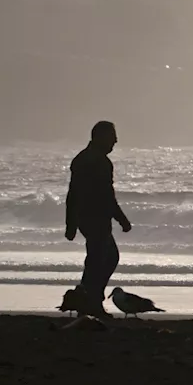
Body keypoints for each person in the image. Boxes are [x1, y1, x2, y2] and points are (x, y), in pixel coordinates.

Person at [65, 121, 131, 318]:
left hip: (87, 218)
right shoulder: (98, 161)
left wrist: (71, 223)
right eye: (112, 136)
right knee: (101, 260)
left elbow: (72, 194)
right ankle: (90, 301)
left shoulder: (83, 159)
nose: (116, 141)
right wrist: (121, 218)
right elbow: (105, 195)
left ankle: (87, 299)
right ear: (101, 137)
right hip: (96, 219)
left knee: (102, 259)